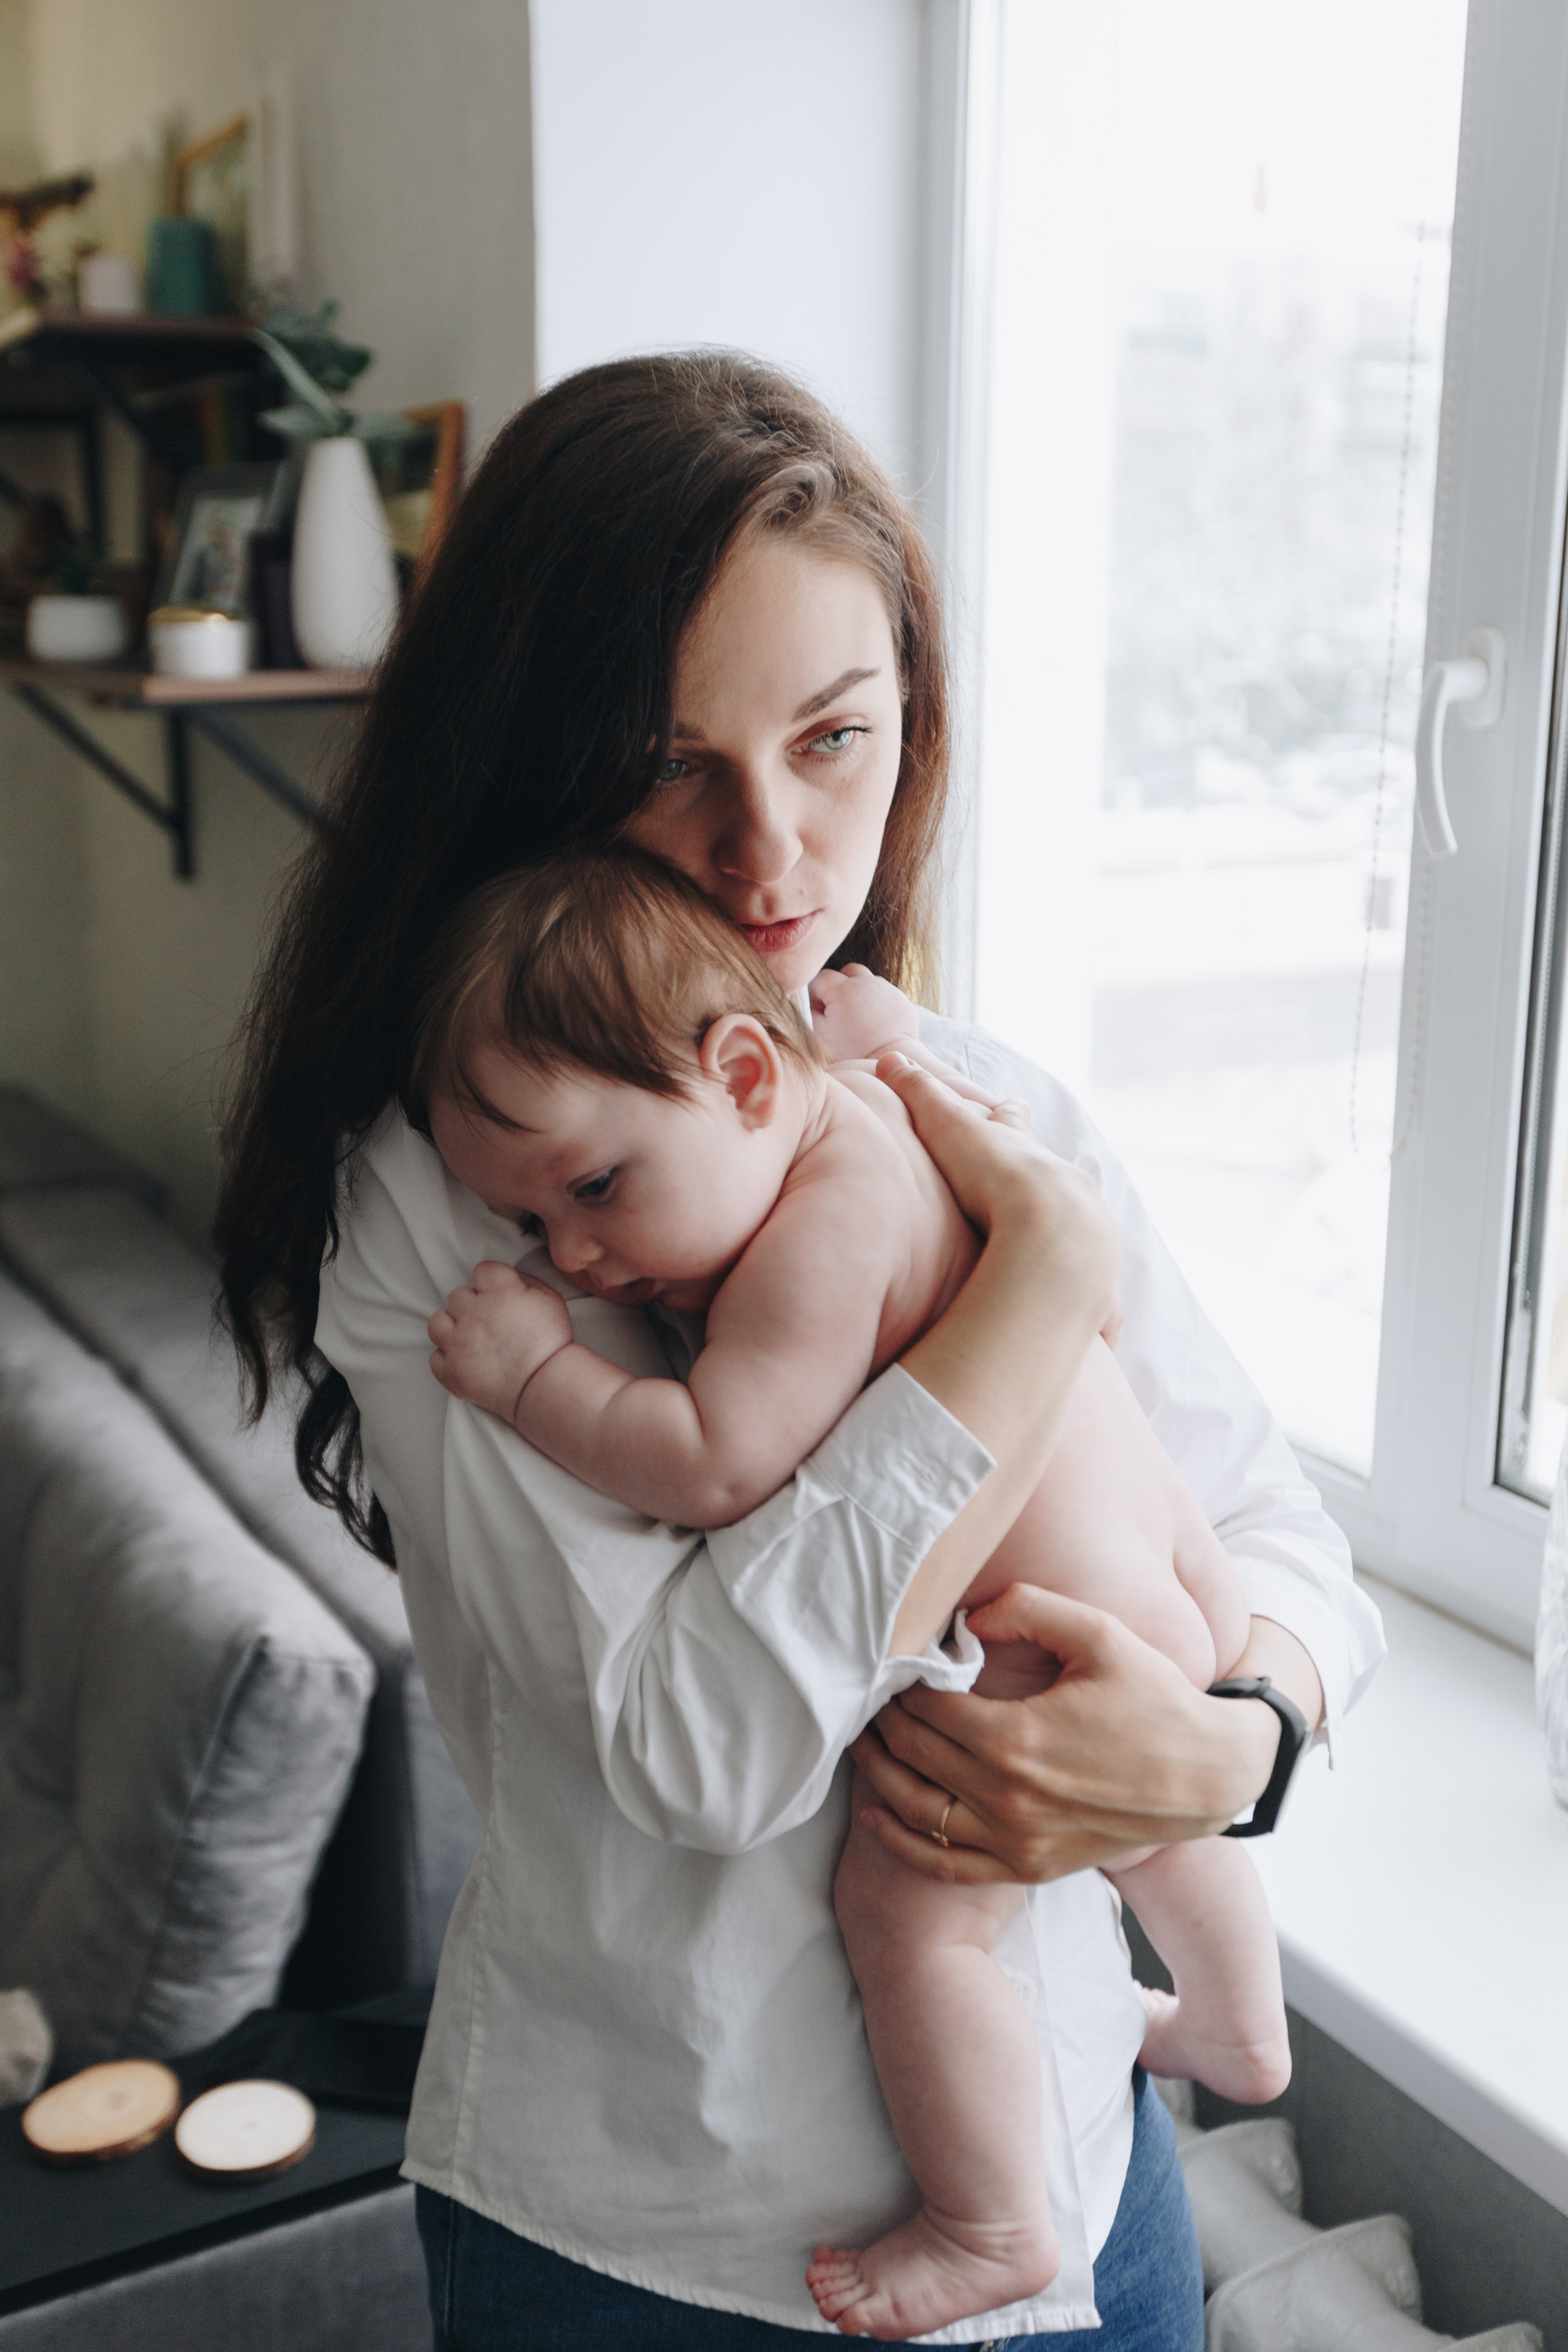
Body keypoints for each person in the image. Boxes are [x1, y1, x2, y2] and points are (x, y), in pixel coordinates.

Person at [217, 352, 1385, 2350]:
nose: (771, 858)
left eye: (835, 739)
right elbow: (708, 1752)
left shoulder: (961, 1092)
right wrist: (1024, 1304)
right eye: (670, 764)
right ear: (530, 764)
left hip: (1098, 2187)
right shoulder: (475, 1203)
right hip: (677, 2243)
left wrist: (1222, 1746)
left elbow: (1274, 1532)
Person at [409, 846, 1293, 2341]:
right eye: (534, 1231)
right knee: (1143, 1823)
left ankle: (989, 2220)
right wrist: (880, 1026)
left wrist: (535, 1374)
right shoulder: (884, 1094)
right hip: (1157, 1575)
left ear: (748, 1074)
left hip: (1035, 1633)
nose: (576, 1255)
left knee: (906, 1917)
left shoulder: (815, 1233)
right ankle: (1235, 2025)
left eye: (596, 1190)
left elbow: (712, 1458)